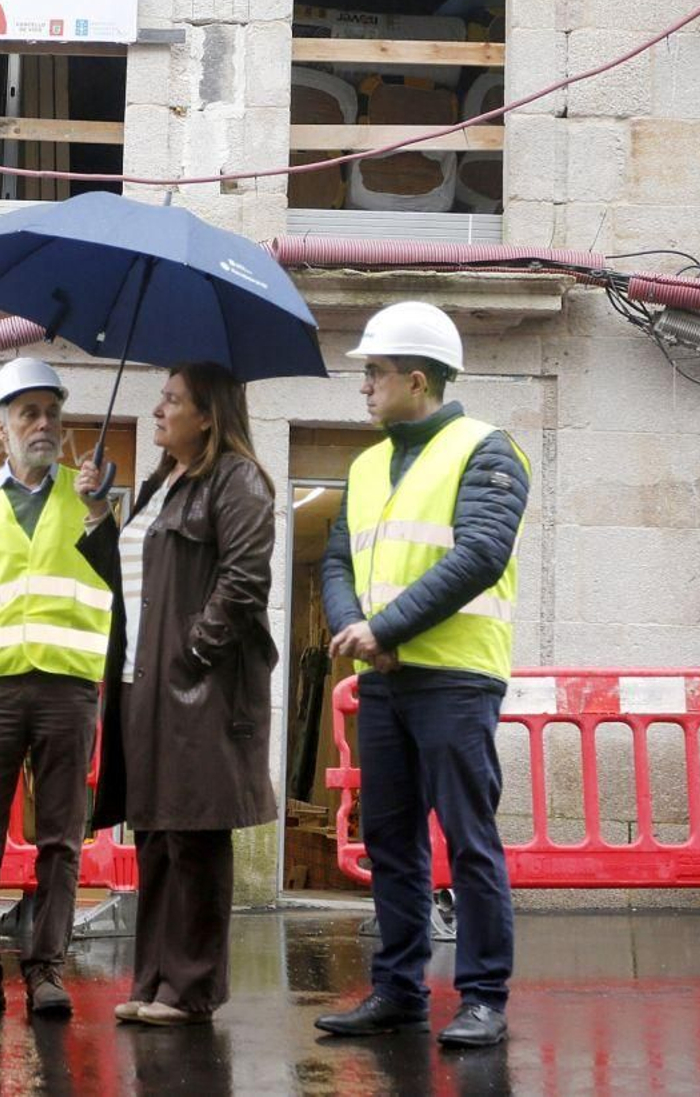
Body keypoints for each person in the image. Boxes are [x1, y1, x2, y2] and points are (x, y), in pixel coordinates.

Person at [314, 301, 529, 1050]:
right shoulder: (367, 463)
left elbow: (479, 555)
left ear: (416, 377)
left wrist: (384, 628)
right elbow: (337, 557)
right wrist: (357, 631)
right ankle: (399, 990)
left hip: (457, 679)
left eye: (373, 372)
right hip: (386, 679)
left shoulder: (489, 449)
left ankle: (483, 997)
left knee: (468, 839)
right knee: (390, 839)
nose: (363, 386)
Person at [78, 361, 278, 1028]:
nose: (158, 410)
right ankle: (155, 977)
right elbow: (126, 582)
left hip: (199, 686)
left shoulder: (238, 480)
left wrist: (193, 652)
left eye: (171, 400)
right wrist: (100, 513)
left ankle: (191, 987)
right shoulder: (163, 482)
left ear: (207, 415)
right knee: (157, 834)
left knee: (194, 835)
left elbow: (245, 580)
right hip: (143, 682)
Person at [0, 358, 113, 1018]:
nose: (44, 423)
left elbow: (114, 582)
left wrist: (101, 511)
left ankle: (46, 971)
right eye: (28, 411)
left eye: (52, 411)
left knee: (60, 839)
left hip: (68, 689)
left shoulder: (89, 495)